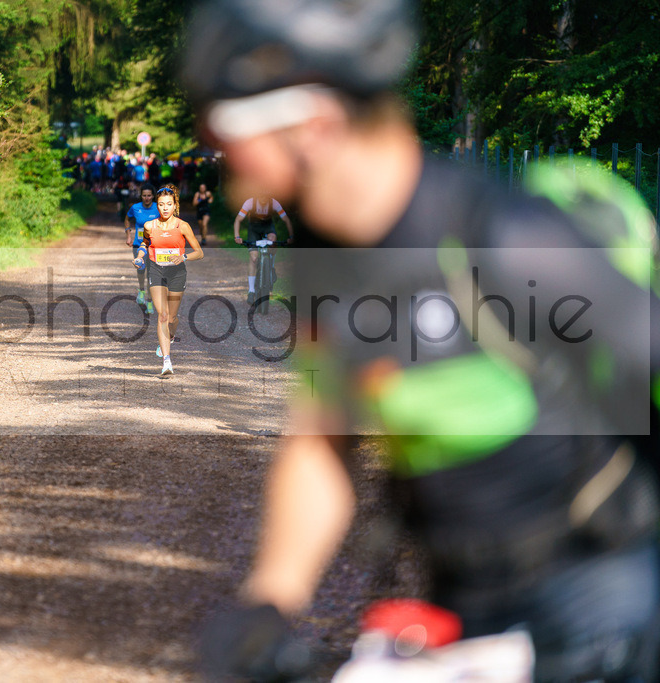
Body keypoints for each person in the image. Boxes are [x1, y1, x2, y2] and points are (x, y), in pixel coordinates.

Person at [182, 1, 660, 681]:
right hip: (462, 602)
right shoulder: (325, 253)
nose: (211, 144)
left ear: (313, 125)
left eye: (223, 124)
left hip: (600, 598)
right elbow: (322, 435)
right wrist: (271, 601)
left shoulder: (508, 236)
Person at [133, 184, 204, 376]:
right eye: (161, 204)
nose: (165, 208)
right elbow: (145, 243)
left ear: (175, 206)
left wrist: (185, 257)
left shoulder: (183, 226)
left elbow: (199, 252)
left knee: (172, 318)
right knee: (162, 315)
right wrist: (140, 257)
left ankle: (170, 335)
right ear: (157, 205)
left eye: (169, 204)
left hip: (177, 272)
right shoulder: (149, 226)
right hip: (156, 270)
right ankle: (166, 361)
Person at [233, 196, 294, 303]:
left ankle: (271, 267)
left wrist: (291, 237)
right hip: (254, 230)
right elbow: (238, 219)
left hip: (268, 228)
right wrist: (237, 236)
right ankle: (251, 290)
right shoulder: (250, 202)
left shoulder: (274, 203)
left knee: (273, 240)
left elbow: (286, 219)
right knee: (253, 258)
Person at [125, 182, 160, 314]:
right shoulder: (135, 208)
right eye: (144, 195)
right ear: (141, 196)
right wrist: (128, 234)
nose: (146, 198)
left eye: (149, 195)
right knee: (141, 269)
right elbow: (127, 219)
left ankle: (150, 302)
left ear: (153, 196)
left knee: (151, 275)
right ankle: (141, 290)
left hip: (154, 246)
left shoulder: (158, 208)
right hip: (138, 244)